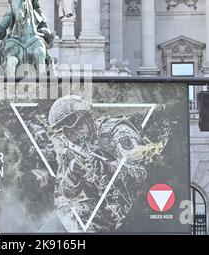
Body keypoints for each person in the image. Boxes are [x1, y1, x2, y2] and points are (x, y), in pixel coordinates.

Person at [47, 95, 149, 232]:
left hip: (139, 204)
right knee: (69, 217)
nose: (77, 134)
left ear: (88, 119)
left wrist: (109, 168)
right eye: (70, 132)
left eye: (79, 126)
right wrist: (72, 175)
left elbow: (141, 174)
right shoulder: (70, 152)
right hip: (106, 208)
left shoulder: (118, 133)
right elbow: (67, 194)